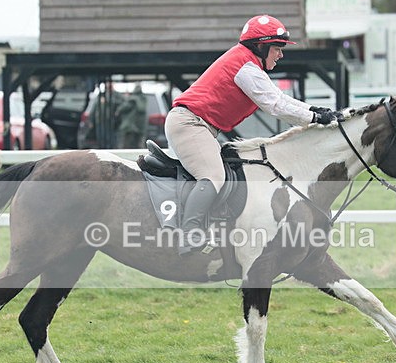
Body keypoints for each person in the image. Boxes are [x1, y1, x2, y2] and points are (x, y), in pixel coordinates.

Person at [165, 14, 338, 255]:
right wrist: (315, 118)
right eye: (277, 48)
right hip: (191, 124)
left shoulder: (249, 65)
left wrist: (313, 110)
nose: (281, 54)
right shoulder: (245, 67)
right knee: (214, 176)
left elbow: (280, 99)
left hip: (197, 125)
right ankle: (189, 234)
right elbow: (275, 106)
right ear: (261, 46)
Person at [115, 83, 147, 149]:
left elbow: (122, 108)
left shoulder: (132, 100)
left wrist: (127, 99)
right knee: (138, 147)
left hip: (130, 127)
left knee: (126, 147)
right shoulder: (143, 99)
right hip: (138, 127)